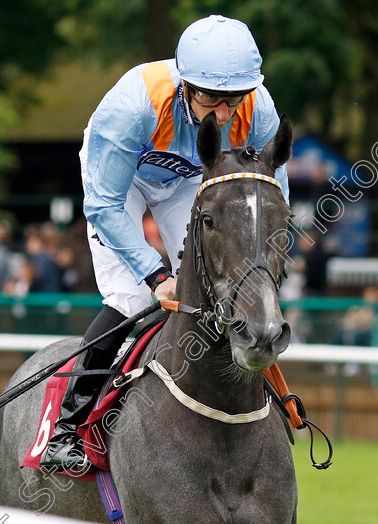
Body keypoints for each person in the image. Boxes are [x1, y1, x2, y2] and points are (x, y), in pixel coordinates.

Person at [40, 14, 289, 470]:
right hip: (121, 184)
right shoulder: (133, 108)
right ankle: (67, 427)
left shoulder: (259, 109)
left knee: (219, 282)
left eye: (235, 99)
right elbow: (104, 205)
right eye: (213, 98)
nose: (224, 113)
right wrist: (156, 275)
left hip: (185, 182)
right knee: (134, 297)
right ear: (186, 84)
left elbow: (271, 190)